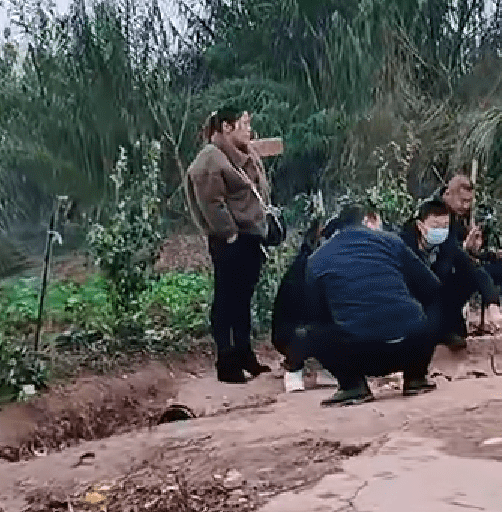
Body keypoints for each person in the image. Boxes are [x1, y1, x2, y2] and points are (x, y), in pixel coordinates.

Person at [302, 205, 441, 407]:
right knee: (434, 304)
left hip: (360, 354)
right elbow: (432, 288)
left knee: (312, 329)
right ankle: (416, 378)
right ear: (370, 219)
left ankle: (353, 386)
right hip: (412, 345)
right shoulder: (391, 242)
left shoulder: (317, 259)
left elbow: (315, 312)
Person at [185, 107, 274, 385]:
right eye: (244, 124)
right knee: (226, 300)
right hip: (230, 240)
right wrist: (230, 234)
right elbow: (211, 203)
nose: (249, 130)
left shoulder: (240, 154)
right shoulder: (210, 160)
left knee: (243, 299)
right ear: (226, 127)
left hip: (249, 236)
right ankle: (226, 361)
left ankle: (244, 353)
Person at [436, 175, 502, 344]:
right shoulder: (433, 215)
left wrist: (483, 253)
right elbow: (450, 255)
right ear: (447, 194)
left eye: (469, 202)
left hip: (456, 274)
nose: (466, 206)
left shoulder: (456, 216)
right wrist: (492, 301)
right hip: (435, 283)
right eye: (462, 201)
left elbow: (461, 254)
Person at [400, 200, 500, 352]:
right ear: (420, 226)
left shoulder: (448, 243)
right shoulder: (401, 244)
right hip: (410, 299)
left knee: (467, 278)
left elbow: (475, 270)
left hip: (440, 297)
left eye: (445, 226)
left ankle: (448, 329)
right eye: (435, 226)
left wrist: (492, 304)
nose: (441, 230)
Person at [271, 221, 325, 393]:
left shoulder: (301, 265)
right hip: (296, 335)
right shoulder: (309, 269)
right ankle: (295, 366)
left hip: (289, 335)